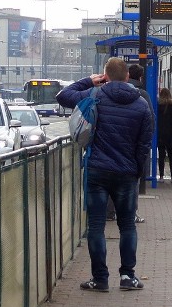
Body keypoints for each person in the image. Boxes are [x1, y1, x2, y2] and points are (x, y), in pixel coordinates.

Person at [56, 57, 154, 292]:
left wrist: (88, 80)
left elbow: (63, 96)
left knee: (96, 227)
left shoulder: (94, 95)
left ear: (105, 76)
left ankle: (100, 279)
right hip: (127, 173)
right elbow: (144, 144)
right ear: (128, 76)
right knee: (127, 226)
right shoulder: (142, 105)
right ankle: (127, 277)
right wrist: (137, 170)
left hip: (98, 171)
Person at [107, 63, 154, 223]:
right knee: (131, 183)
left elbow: (66, 96)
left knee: (108, 182)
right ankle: (130, 214)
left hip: (108, 150)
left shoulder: (102, 95)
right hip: (131, 151)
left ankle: (108, 213)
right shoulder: (142, 96)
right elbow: (149, 124)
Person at [157, 87, 172, 183]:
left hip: (160, 134)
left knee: (161, 156)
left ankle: (161, 176)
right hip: (171, 134)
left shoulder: (158, 105)